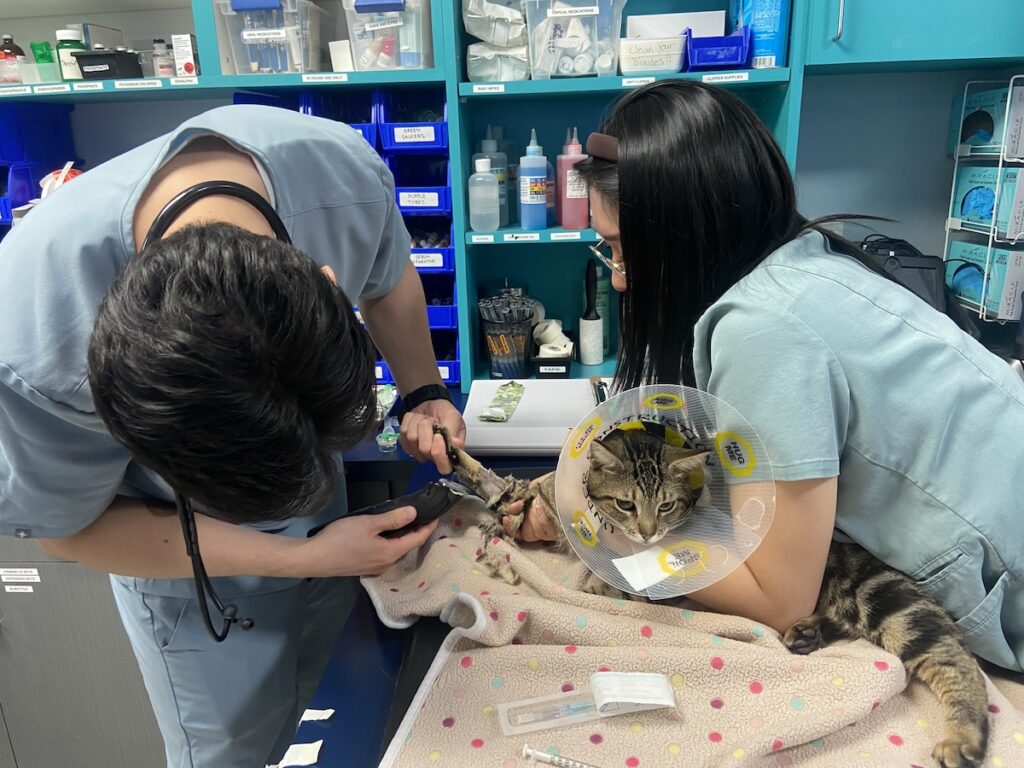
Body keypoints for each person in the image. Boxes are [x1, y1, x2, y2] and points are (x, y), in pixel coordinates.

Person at [0, 104, 465, 767]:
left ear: (324, 284)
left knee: (341, 726)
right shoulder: (31, 339)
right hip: (189, 571)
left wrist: (423, 390)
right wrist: (304, 556)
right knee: (235, 753)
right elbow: (70, 529)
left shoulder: (341, 176)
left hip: (338, 546)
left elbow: (389, 280)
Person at [509, 80, 1024, 673]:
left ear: (684, 239)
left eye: (621, 249)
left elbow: (780, 601)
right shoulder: (796, 260)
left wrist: (594, 527)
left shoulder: (764, 330)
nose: (618, 278)